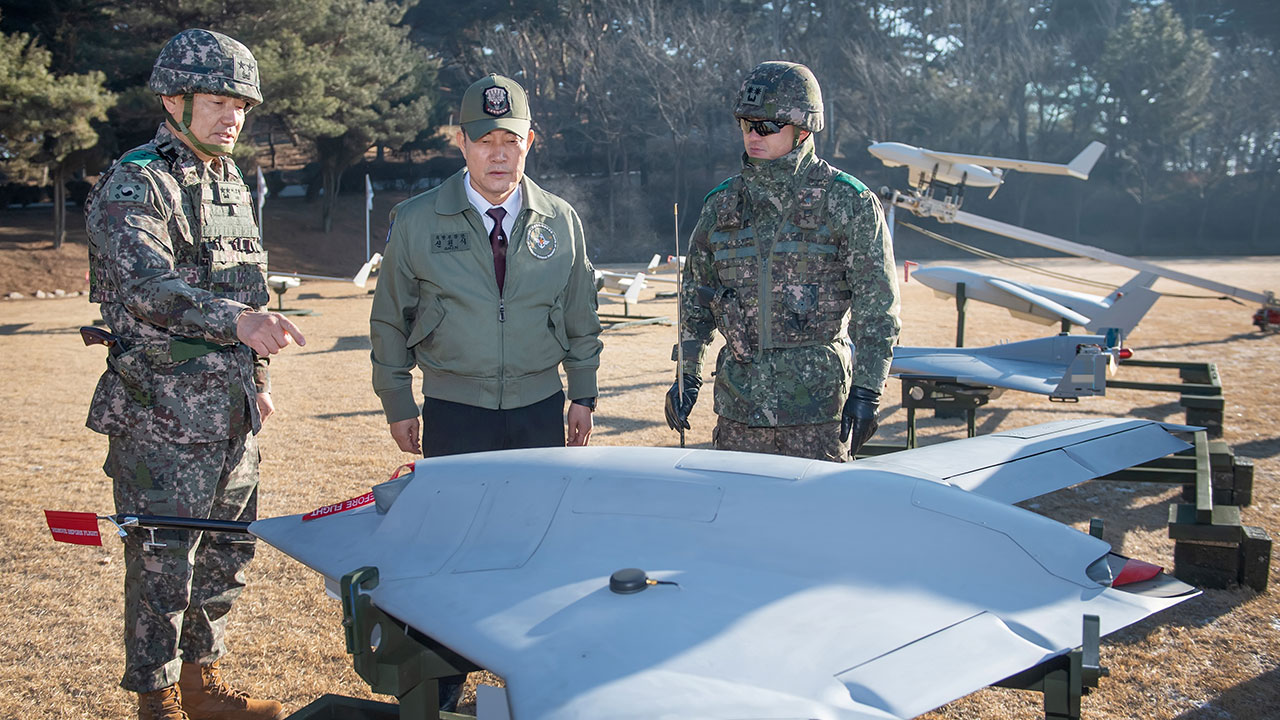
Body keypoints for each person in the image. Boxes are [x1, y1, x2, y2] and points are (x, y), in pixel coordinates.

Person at [85, 28, 304, 720]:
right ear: (173, 98)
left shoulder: (230, 181)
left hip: (231, 414)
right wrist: (237, 325)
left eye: (242, 105)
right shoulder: (136, 179)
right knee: (161, 569)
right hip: (161, 418)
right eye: (217, 101)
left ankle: (201, 689)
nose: (232, 118)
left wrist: (259, 380)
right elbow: (145, 287)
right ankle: (154, 704)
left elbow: (251, 292)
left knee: (225, 559)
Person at [666, 61, 900, 461]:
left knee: (814, 522)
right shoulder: (721, 206)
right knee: (738, 521)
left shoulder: (847, 202)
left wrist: (866, 391)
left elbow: (878, 311)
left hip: (818, 416)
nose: (752, 136)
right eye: (745, 124)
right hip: (740, 413)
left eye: (766, 127)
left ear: (803, 128)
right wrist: (687, 374)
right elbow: (695, 304)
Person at [370, 72, 602, 459]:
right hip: (453, 412)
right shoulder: (416, 220)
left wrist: (583, 392)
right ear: (461, 143)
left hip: (540, 408)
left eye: (511, 141)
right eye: (484, 141)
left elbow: (581, 314)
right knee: (457, 520)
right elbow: (391, 319)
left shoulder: (560, 219)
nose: (499, 155)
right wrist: (398, 401)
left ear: (528, 143)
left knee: (535, 517)